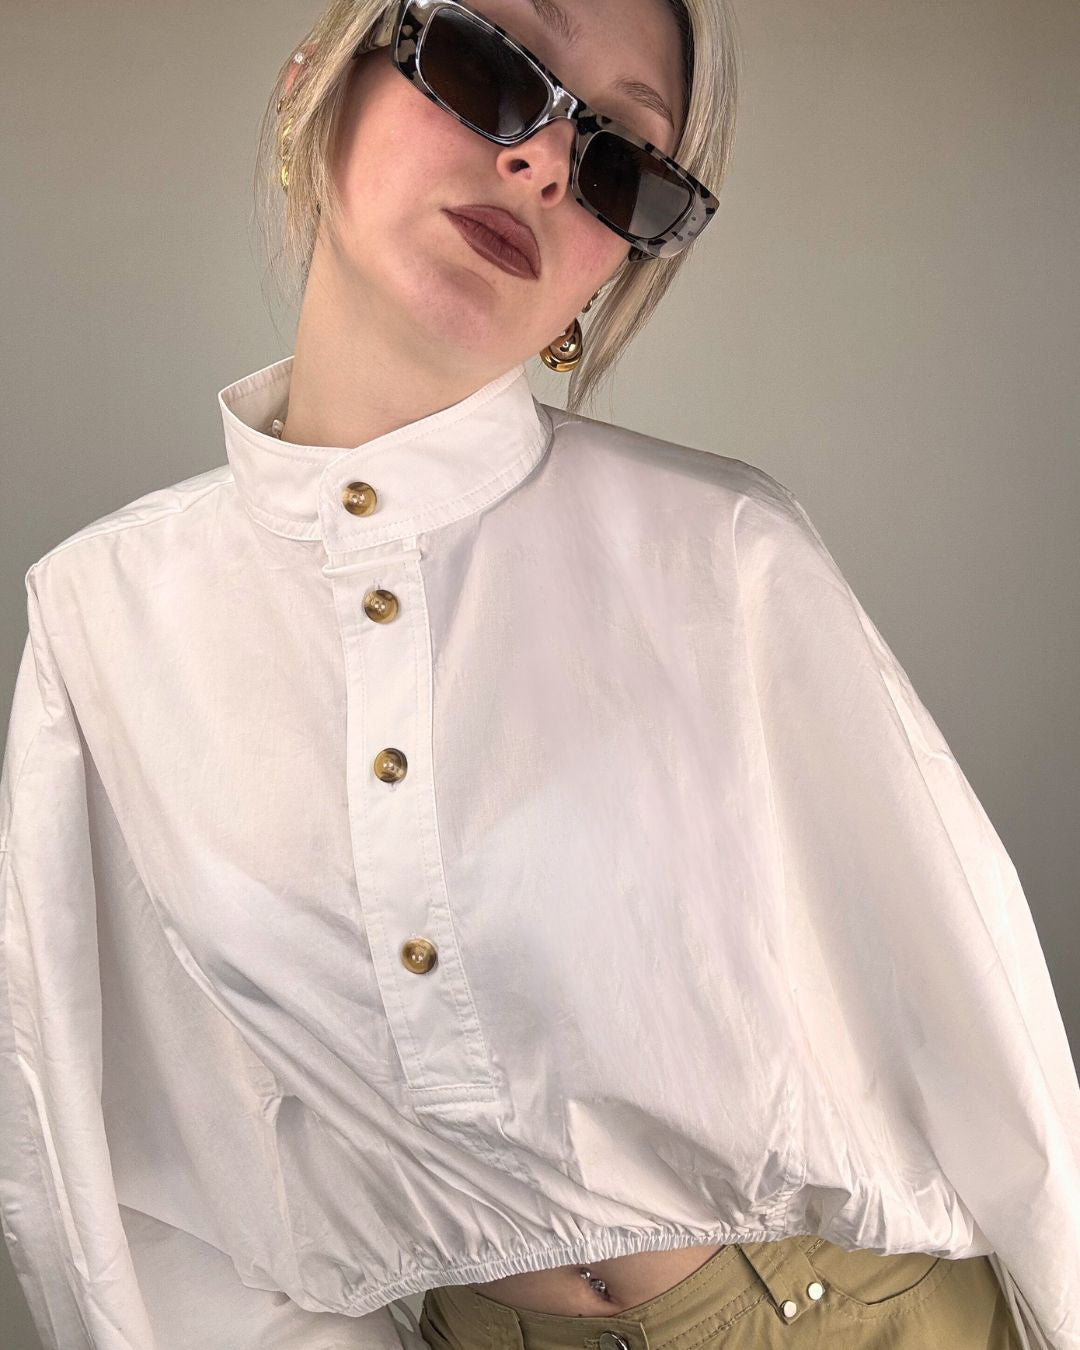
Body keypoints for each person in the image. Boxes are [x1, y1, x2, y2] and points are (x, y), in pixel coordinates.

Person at [1, 0, 1078, 1347]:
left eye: (623, 160)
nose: (547, 164)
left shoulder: (727, 556)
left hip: (838, 1315)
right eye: (487, 64)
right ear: (314, 93)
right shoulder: (104, 622)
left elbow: (990, 1047)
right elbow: (130, 1181)